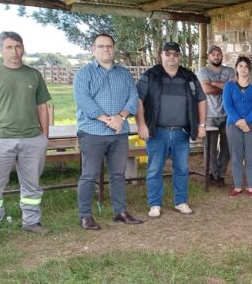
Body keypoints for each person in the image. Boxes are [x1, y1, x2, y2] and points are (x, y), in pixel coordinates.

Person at [0, 31, 52, 245]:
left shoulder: (34, 75)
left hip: (32, 140)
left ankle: (31, 222)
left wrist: (44, 137)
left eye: (18, 46)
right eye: (9, 47)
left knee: (32, 186)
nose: (15, 51)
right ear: (1, 50)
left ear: (23, 48)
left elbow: (42, 107)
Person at [74, 33, 141, 230]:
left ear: (114, 48)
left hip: (119, 133)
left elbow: (133, 96)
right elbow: (84, 100)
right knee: (89, 174)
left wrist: (120, 117)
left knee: (118, 174)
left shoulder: (124, 73)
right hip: (92, 132)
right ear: (93, 49)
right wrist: (107, 119)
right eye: (101, 46)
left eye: (109, 46)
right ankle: (85, 215)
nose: (106, 49)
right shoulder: (84, 74)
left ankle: (120, 211)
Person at [136, 41, 206, 218]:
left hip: (181, 132)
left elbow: (201, 100)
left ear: (179, 56)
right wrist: (141, 124)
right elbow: (138, 100)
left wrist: (202, 125)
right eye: (168, 53)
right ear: (162, 55)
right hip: (156, 131)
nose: (172, 57)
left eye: (175, 54)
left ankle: (180, 201)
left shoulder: (189, 77)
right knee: (154, 169)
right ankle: (154, 204)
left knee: (182, 168)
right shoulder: (150, 75)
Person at [223, 56, 252, 198]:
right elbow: (227, 106)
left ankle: (251, 187)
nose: (243, 69)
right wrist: (240, 121)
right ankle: (238, 186)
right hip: (233, 125)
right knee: (236, 156)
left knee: (251, 156)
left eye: (246, 66)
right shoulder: (229, 86)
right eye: (241, 66)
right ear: (236, 68)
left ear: (250, 69)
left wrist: (247, 122)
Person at [197, 45, 235, 187]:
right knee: (210, 148)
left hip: (228, 114)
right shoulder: (203, 71)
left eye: (218, 54)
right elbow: (205, 89)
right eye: (213, 54)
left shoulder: (229, 71)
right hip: (209, 114)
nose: (216, 56)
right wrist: (223, 87)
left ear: (222, 56)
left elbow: (232, 89)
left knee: (227, 147)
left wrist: (213, 83)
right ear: (208, 57)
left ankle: (221, 175)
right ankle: (212, 174)